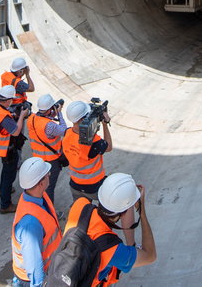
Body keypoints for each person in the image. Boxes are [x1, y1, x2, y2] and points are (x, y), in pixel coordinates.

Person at [62, 173, 157, 286]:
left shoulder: (80, 205)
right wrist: (142, 211)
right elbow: (150, 256)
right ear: (124, 213)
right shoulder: (113, 249)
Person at [11, 157, 63, 286]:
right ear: (41, 183)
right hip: (32, 280)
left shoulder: (38, 196)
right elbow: (34, 268)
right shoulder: (30, 224)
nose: (50, 175)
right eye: (47, 175)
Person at [0, 84, 29, 214]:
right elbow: (15, 132)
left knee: (5, 171)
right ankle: (5, 205)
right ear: (9, 100)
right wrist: (21, 116)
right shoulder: (3, 116)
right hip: (7, 149)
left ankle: (1, 189)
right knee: (9, 176)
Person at [62, 100, 113, 204]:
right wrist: (105, 124)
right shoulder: (93, 142)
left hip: (75, 184)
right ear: (83, 119)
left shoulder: (67, 134)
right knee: (105, 209)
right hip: (94, 186)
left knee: (81, 212)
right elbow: (109, 147)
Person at [27, 94, 68, 203]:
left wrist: (51, 113)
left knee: (40, 187)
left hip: (37, 158)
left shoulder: (31, 118)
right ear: (50, 108)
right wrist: (59, 113)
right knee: (49, 188)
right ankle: (49, 212)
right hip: (51, 161)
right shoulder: (50, 126)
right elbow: (64, 131)